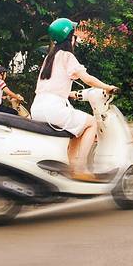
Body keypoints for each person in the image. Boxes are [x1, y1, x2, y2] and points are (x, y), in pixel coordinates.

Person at [30, 18, 118, 182]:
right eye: (74, 36)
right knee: (91, 123)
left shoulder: (49, 58)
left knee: (77, 130)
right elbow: (88, 79)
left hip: (38, 107)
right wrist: (107, 87)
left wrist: (70, 94)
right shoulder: (67, 56)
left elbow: (51, 86)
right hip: (53, 109)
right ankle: (81, 168)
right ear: (70, 37)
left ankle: (72, 168)